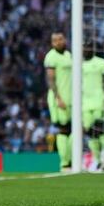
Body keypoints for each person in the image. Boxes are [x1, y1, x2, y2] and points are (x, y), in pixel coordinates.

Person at [43, 32, 72, 171]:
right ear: (52, 43)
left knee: (73, 129)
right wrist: (58, 97)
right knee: (63, 129)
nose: (58, 42)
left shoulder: (70, 55)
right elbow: (51, 79)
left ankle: (73, 161)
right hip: (58, 98)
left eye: (60, 39)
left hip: (72, 98)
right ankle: (65, 163)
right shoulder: (51, 57)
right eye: (55, 40)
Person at [82, 43, 104, 170]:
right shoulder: (78, 65)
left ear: (93, 49)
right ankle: (98, 160)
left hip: (99, 101)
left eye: (88, 48)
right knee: (90, 133)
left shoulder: (101, 63)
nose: (85, 50)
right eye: (84, 48)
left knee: (100, 130)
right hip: (85, 104)